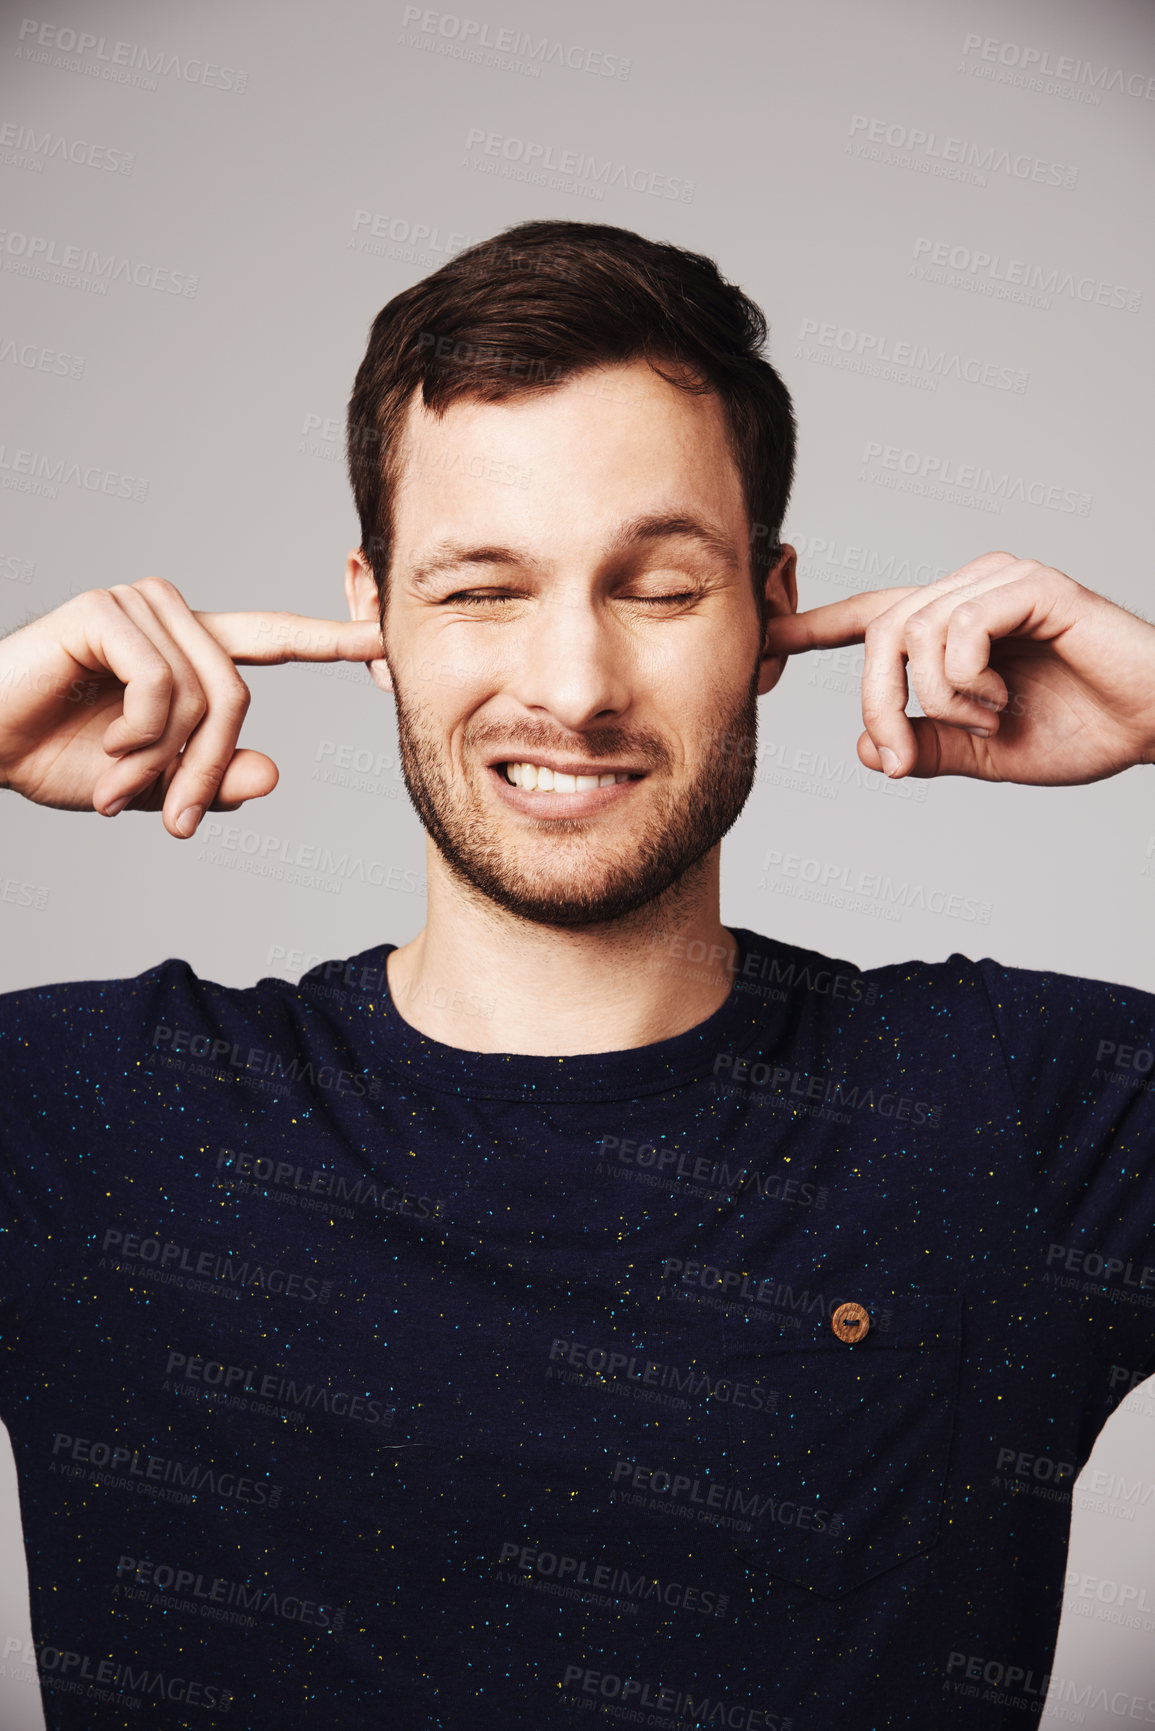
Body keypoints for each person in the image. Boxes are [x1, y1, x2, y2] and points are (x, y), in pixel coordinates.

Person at [0, 218, 1153, 1731]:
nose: (573, 686)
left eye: (660, 589)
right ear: (375, 617)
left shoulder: (1018, 1112)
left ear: (770, 611)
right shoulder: (88, 1118)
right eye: (481, 588)